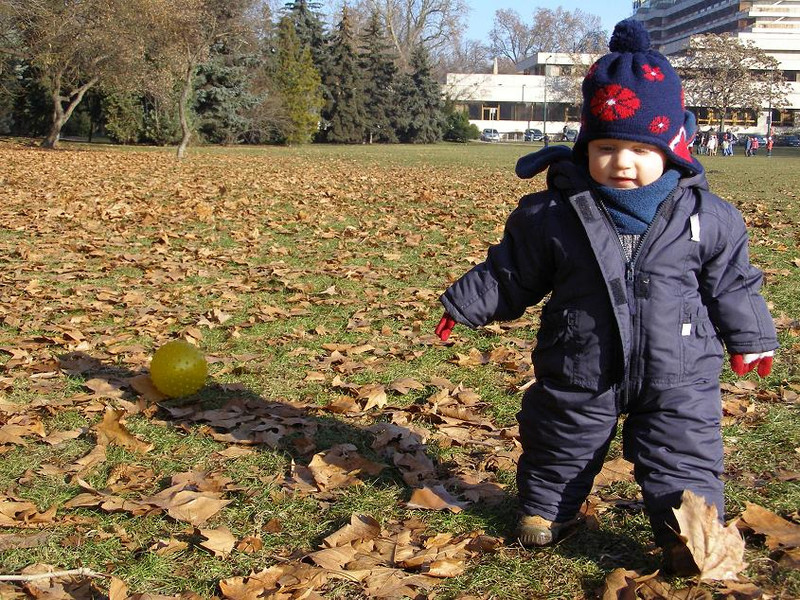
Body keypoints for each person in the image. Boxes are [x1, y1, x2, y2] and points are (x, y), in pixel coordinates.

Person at [434, 19, 777, 573]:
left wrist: (752, 338)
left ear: (673, 147)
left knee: (683, 453)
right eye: (606, 147)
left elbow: (732, 282)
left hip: (680, 369)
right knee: (561, 440)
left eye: (639, 149)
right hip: (581, 360)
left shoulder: (708, 217)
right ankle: (548, 513)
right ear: (585, 147)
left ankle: (684, 534)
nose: (621, 162)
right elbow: (513, 270)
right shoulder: (553, 214)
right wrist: (467, 303)